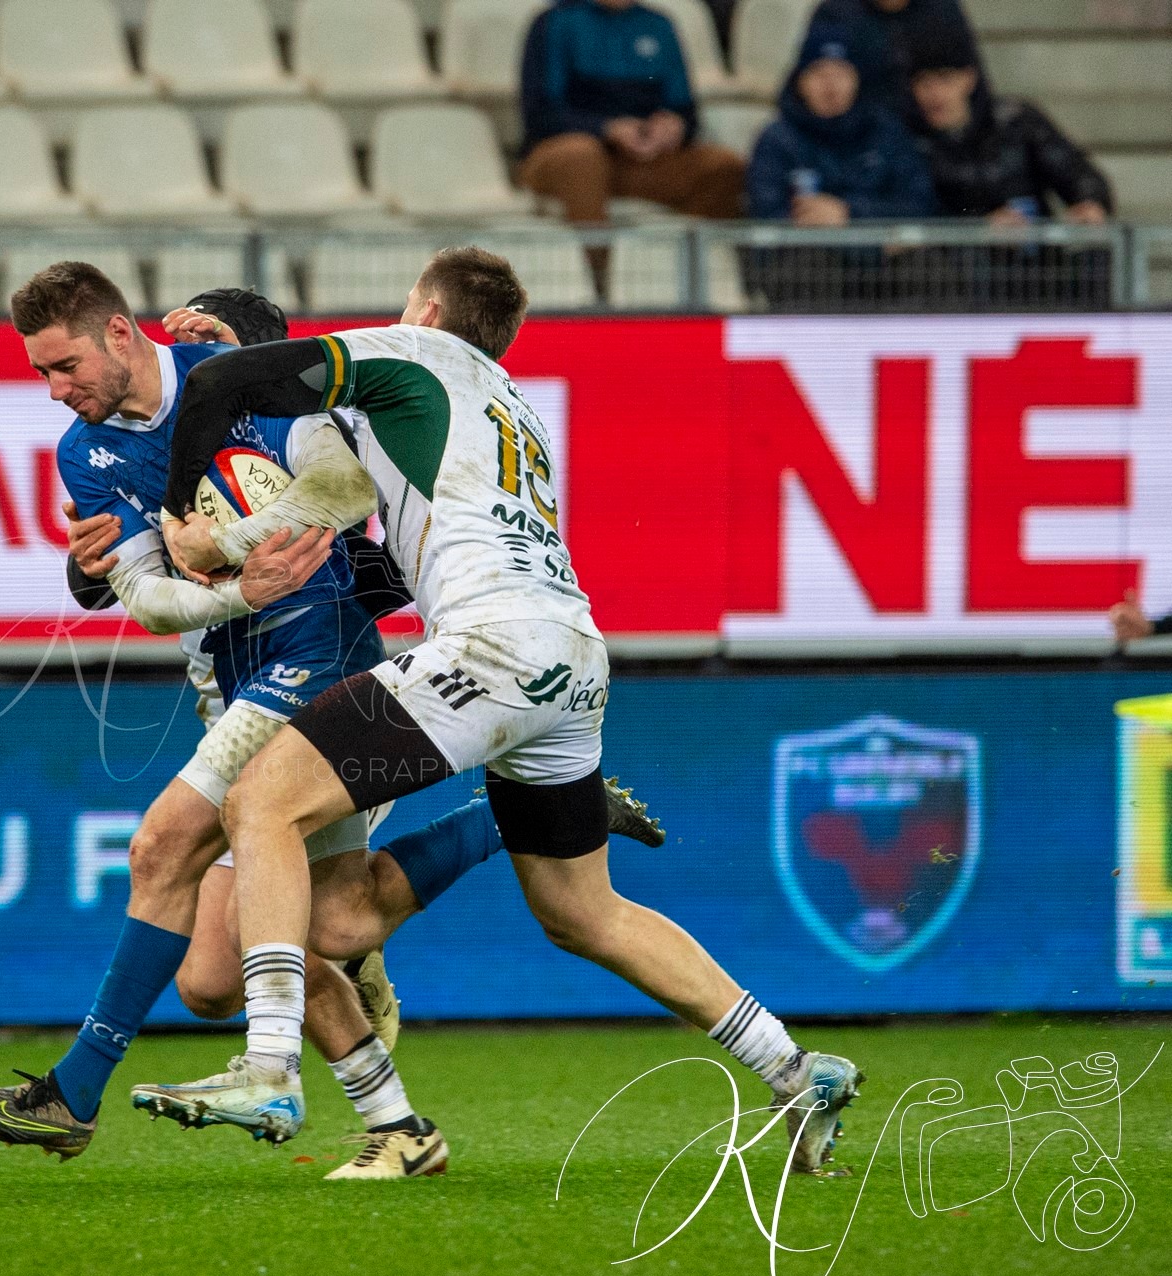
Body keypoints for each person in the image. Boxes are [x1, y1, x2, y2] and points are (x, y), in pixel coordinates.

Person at [147, 246, 866, 1176]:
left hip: (492, 648)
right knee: (581, 913)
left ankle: (271, 1066)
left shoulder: (416, 356)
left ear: (429, 311)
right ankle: (795, 1065)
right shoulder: (510, 408)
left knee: (260, 799)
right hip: (574, 656)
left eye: (407, 302)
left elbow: (225, 382)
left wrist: (179, 521)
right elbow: (392, 556)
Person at [0, 265, 458, 1180]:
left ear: (116, 333)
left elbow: (346, 491)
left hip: (324, 652)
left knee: (161, 845)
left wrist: (226, 553)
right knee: (269, 951)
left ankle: (79, 1092)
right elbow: (142, 595)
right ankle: (400, 1125)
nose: (55, 391)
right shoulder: (85, 454)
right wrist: (230, 592)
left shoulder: (246, 388)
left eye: (62, 366)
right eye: (41, 375)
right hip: (239, 673)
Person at [516, 0, 746, 233]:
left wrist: (674, 126)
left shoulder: (659, 24)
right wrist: (607, 129)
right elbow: (540, 114)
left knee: (722, 166)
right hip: (565, 156)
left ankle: (685, 265)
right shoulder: (555, 21)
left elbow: (685, 110)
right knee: (583, 157)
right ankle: (597, 268)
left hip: (640, 160)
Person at [746, 28, 937, 308]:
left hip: (880, 266)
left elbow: (920, 203)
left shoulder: (886, 131)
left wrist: (848, 213)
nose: (830, 85)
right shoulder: (777, 139)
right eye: (819, 74)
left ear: (857, 79)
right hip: (812, 269)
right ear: (800, 81)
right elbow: (766, 215)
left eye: (840, 73)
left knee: (925, 266)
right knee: (810, 267)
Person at [909, 37, 1112, 225]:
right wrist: (981, 226)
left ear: (968, 78)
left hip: (1034, 255)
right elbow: (921, 211)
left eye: (945, 79)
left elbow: (1074, 170)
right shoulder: (910, 141)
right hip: (960, 260)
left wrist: (1089, 202)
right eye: (924, 82)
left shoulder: (1016, 122)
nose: (934, 94)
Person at [807, 0, 983, 125]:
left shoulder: (941, 8)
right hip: (860, 139)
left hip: (932, 136)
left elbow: (972, 73)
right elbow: (809, 76)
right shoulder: (837, 13)